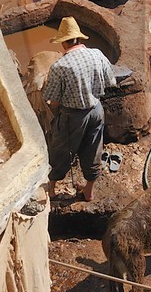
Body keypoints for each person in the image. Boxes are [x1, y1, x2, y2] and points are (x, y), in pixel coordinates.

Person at [43, 17, 122, 202]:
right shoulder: (97, 54)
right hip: (96, 110)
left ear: (63, 42)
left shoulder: (60, 66)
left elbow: (53, 100)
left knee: (60, 151)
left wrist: (57, 109)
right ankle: (88, 191)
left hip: (73, 116)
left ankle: (52, 190)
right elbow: (111, 81)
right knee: (93, 149)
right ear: (79, 39)